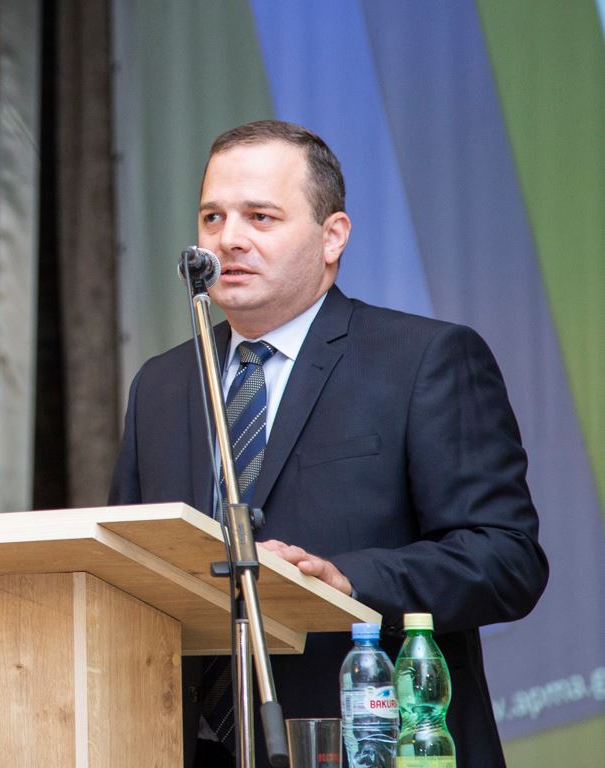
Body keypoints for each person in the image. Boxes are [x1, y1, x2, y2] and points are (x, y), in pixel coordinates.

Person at [108, 120, 548, 768]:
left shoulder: (423, 359)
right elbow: (127, 566)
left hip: (365, 741)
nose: (228, 239)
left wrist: (347, 580)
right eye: (212, 217)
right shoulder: (163, 383)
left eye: (260, 217)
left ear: (332, 236)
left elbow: (505, 559)